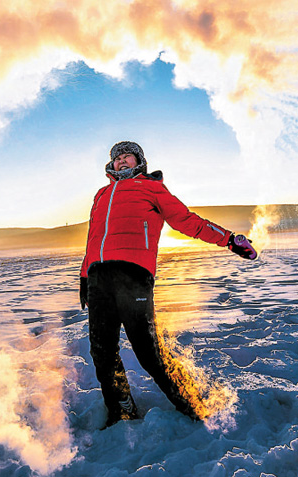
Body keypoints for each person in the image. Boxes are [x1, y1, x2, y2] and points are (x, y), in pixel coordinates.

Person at [79, 140, 257, 428]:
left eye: (128, 157)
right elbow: (93, 238)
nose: (121, 161)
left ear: (139, 162)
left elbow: (186, 220)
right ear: (111, 165)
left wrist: (228, 239)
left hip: (134, 274)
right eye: (117, 158)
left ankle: (195, 404)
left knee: (148, 351)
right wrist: (85, 276)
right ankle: (121, 412)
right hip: (100, 278)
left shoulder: (152, 188)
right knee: (102, 350)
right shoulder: (102, 195)